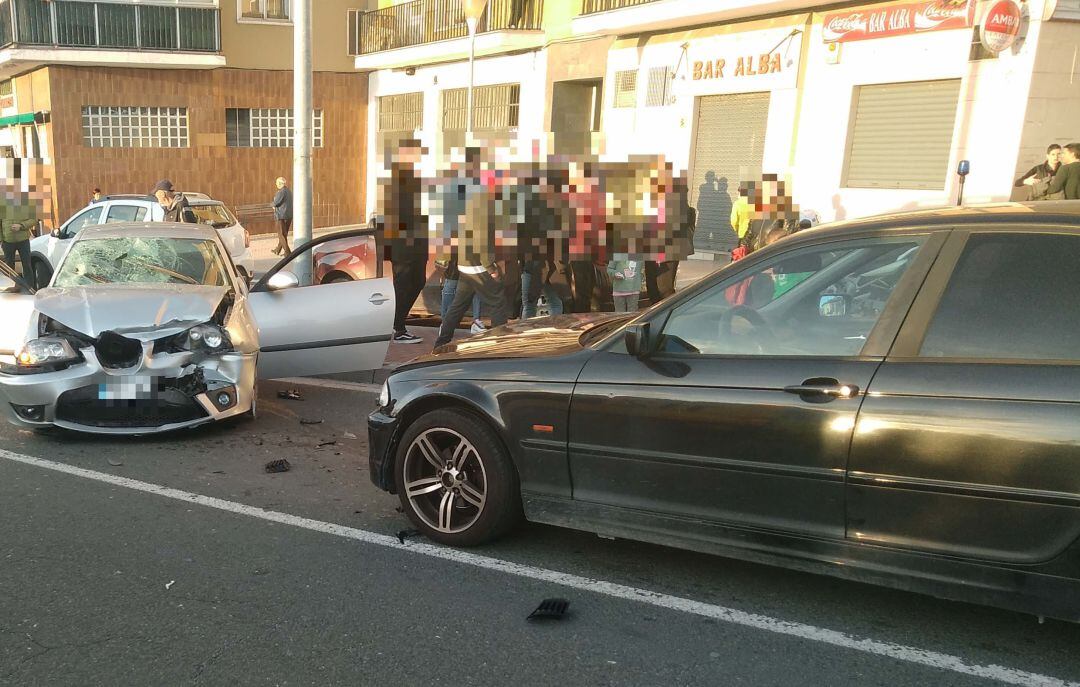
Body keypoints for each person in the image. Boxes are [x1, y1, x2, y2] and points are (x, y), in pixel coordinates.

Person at [433, 161, 510, 349]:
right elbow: (482, 237)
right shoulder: (483, 203)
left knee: (458, 306)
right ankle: (502, 347)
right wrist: (490, 266)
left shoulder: (466, 200)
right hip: (478, 263)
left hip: (464, 262)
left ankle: (441, 342)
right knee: (498, 301)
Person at [382, 140, 430, 344]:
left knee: (417, 282)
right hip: (405, 248)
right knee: (403, 285)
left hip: (413, 247)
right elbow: (399, 218)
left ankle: (396, 324)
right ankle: (397, 328)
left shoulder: (409, 181)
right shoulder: (399, 182)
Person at [1, 181, 37, 288]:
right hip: (7, 242)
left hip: (23, 241)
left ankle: (30, 288)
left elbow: (34, 220)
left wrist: (21, 226)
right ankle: (13, 287)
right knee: (9, 267)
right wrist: (1, 240)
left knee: (27, 265)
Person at [272, 177, 293, 256]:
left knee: (281, 234)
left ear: (280, 184)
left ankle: (287, 252)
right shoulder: (288, 191)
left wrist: (272, 205)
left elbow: (276, 203)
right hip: (289, 215)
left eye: (277, 183)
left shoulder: (281, 192)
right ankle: (277, 249)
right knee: (284, 234)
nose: (276, 184)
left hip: (281, 215)